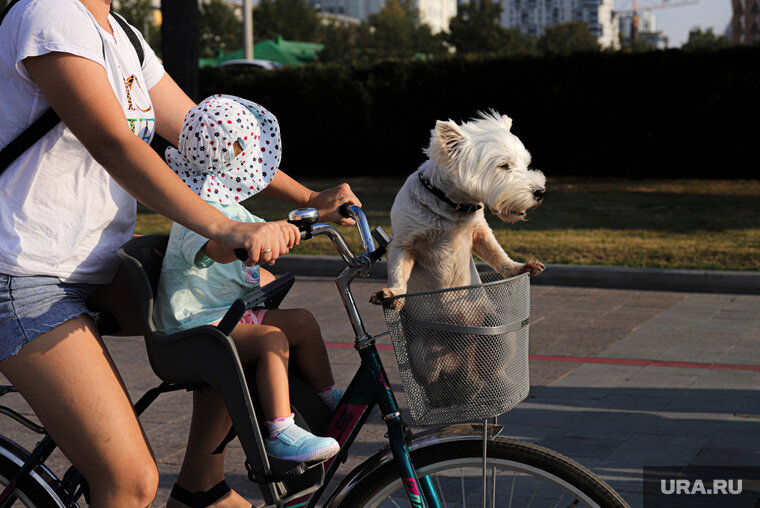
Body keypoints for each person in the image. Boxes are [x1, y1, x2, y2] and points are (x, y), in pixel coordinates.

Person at [0, 1, 360, 507]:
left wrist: (310, 200)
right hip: (22, 273)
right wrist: (224, 226)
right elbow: (112, 142)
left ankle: (199, 487)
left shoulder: (121, 33)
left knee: (226, 321)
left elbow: (209, 138)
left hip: (93, 264)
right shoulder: (49, 14)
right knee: (128, 481)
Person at [155, 95, 345, 504]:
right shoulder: (198, 210)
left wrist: (305, 222)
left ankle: (328, 399)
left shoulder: (228, 205)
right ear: (236, 153)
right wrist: (239, 241)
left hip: (228, 315)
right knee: (273, 338)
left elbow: (255, 243)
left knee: (304, 322)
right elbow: (216, 248)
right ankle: (281, 431)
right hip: (198, 327)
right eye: (248, 149)